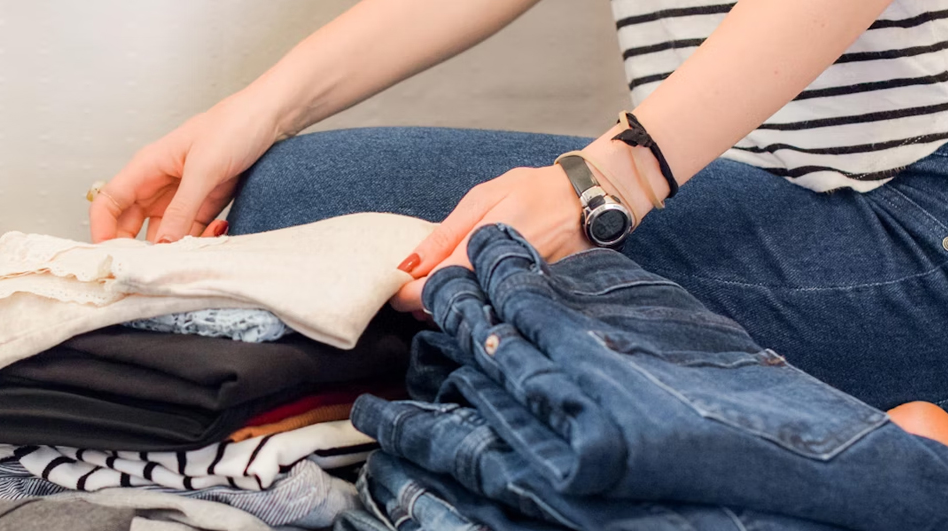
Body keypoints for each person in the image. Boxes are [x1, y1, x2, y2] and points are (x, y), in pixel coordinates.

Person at [88, 0, 948, 439]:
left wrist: (614, 178)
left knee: (305, 212)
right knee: (280, 198)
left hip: (909, 220)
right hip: (756, 189)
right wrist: (260, 109)